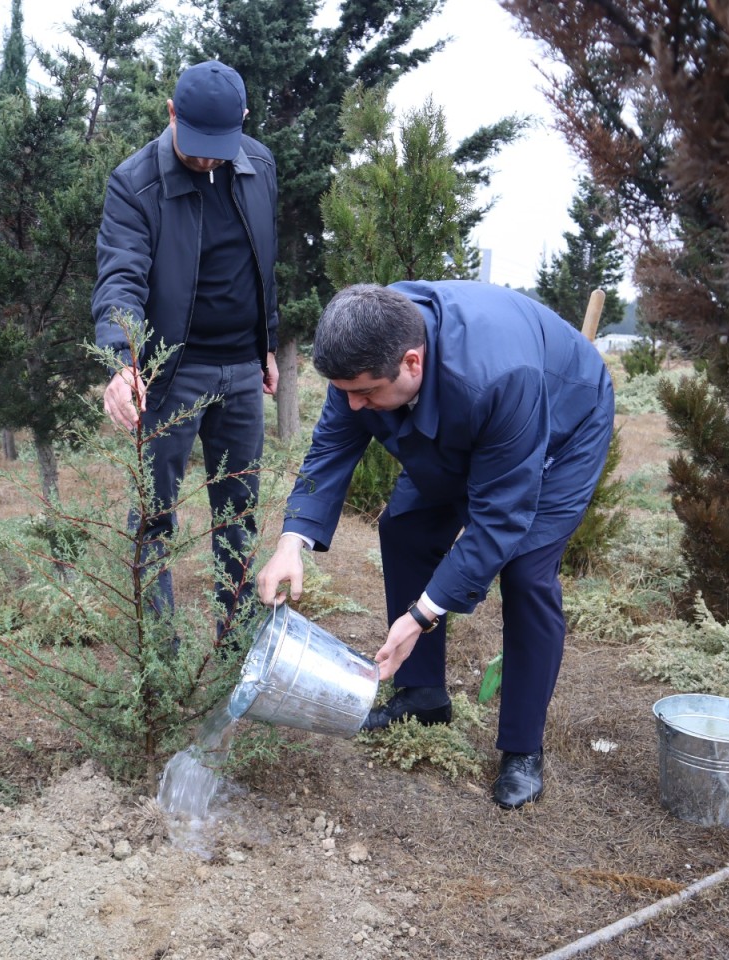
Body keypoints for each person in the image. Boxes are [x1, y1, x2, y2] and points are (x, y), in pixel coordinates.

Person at [256, 281, 615, 809]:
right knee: (405, 526)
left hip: (565, 421)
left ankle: (522, 748)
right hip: (466, 412)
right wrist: (292, 541)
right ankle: (423, 695)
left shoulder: (500, 376)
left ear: (412, 363)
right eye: (345, 391)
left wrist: (422, 613)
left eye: (366, 394)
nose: (354, 405)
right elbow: (331, 447)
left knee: (525, 573)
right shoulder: (364, 348)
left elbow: (498, 518)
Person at [92, 61, 279, 636]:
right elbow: (120, 278)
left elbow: (262, 265)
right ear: (172, 113)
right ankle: (159, 656)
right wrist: (123, 363)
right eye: (197, 146)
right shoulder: (136, 183)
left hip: (243, 369)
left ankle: (236, 646)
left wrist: (266, 341)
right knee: (153, 517)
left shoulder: (260, 165)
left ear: (242, 122)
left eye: (218, 147)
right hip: (172, 375)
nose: (206, 159)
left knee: (239, 513)